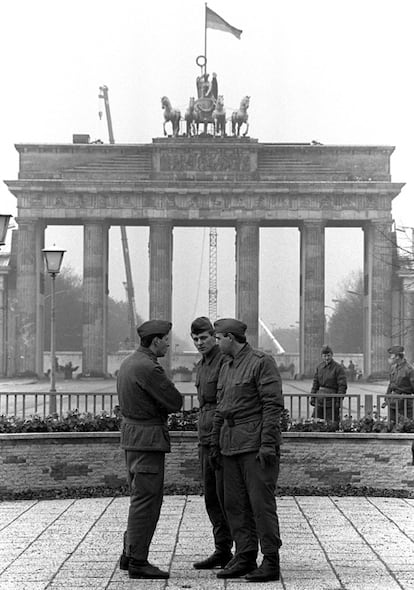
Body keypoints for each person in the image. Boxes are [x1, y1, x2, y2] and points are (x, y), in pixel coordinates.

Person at [211, 318, 284, 583]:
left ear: (230, 337)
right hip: (229, 444)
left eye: (218, 338)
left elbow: (272, 406)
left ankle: (271, 560)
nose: (216, 342)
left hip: (254, 445)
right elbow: (222, 406)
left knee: (260, 505)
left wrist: (267, 443)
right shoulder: (226, 366)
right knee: (235, 504)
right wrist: (213, 443)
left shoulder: (261, 362)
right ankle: (244, 556)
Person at [117, 319, 183, 580]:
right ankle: (138, 561)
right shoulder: (149, 368)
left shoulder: (129, 362)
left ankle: (128, 554)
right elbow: (175, 401)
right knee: (146, 501)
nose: (168, 343)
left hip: (133, 438)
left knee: (138, 498)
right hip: (148, 440)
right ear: (155, 341)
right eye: (166, 339)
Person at [190, 317, 233, 570]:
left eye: (204, 338)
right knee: (211, 497)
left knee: (227, 496)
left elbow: (222, 402)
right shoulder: (202, 364)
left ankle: (241, 550)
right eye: (195, 339)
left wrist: (217, 438)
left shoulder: (224, 362)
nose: (199, 343)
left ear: (213, 337)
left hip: (220, 436)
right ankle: (222, 549)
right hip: (204, 437)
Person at [310, 345, 347, 422]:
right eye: (324, 356)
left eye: (328, 355)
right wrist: (313, 397)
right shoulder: (319, 367)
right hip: (319, 400)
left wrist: (338, 401)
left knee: (331, 423)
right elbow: (315, 384)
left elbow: (342, 386)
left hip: (332, 400)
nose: (327, 358)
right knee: (316, 422)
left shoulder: (338, 368)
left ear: (332, 355)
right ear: (321, 356)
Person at [384, 345, 414, 421]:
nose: (390, 357)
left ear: (397, 356)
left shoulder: (409, 369)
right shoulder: (393, 368)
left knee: (405, 426)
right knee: (391, 425)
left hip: (404, 404)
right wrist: (386, 398)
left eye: (392, 355)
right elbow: (390, 385)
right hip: (393, 402)